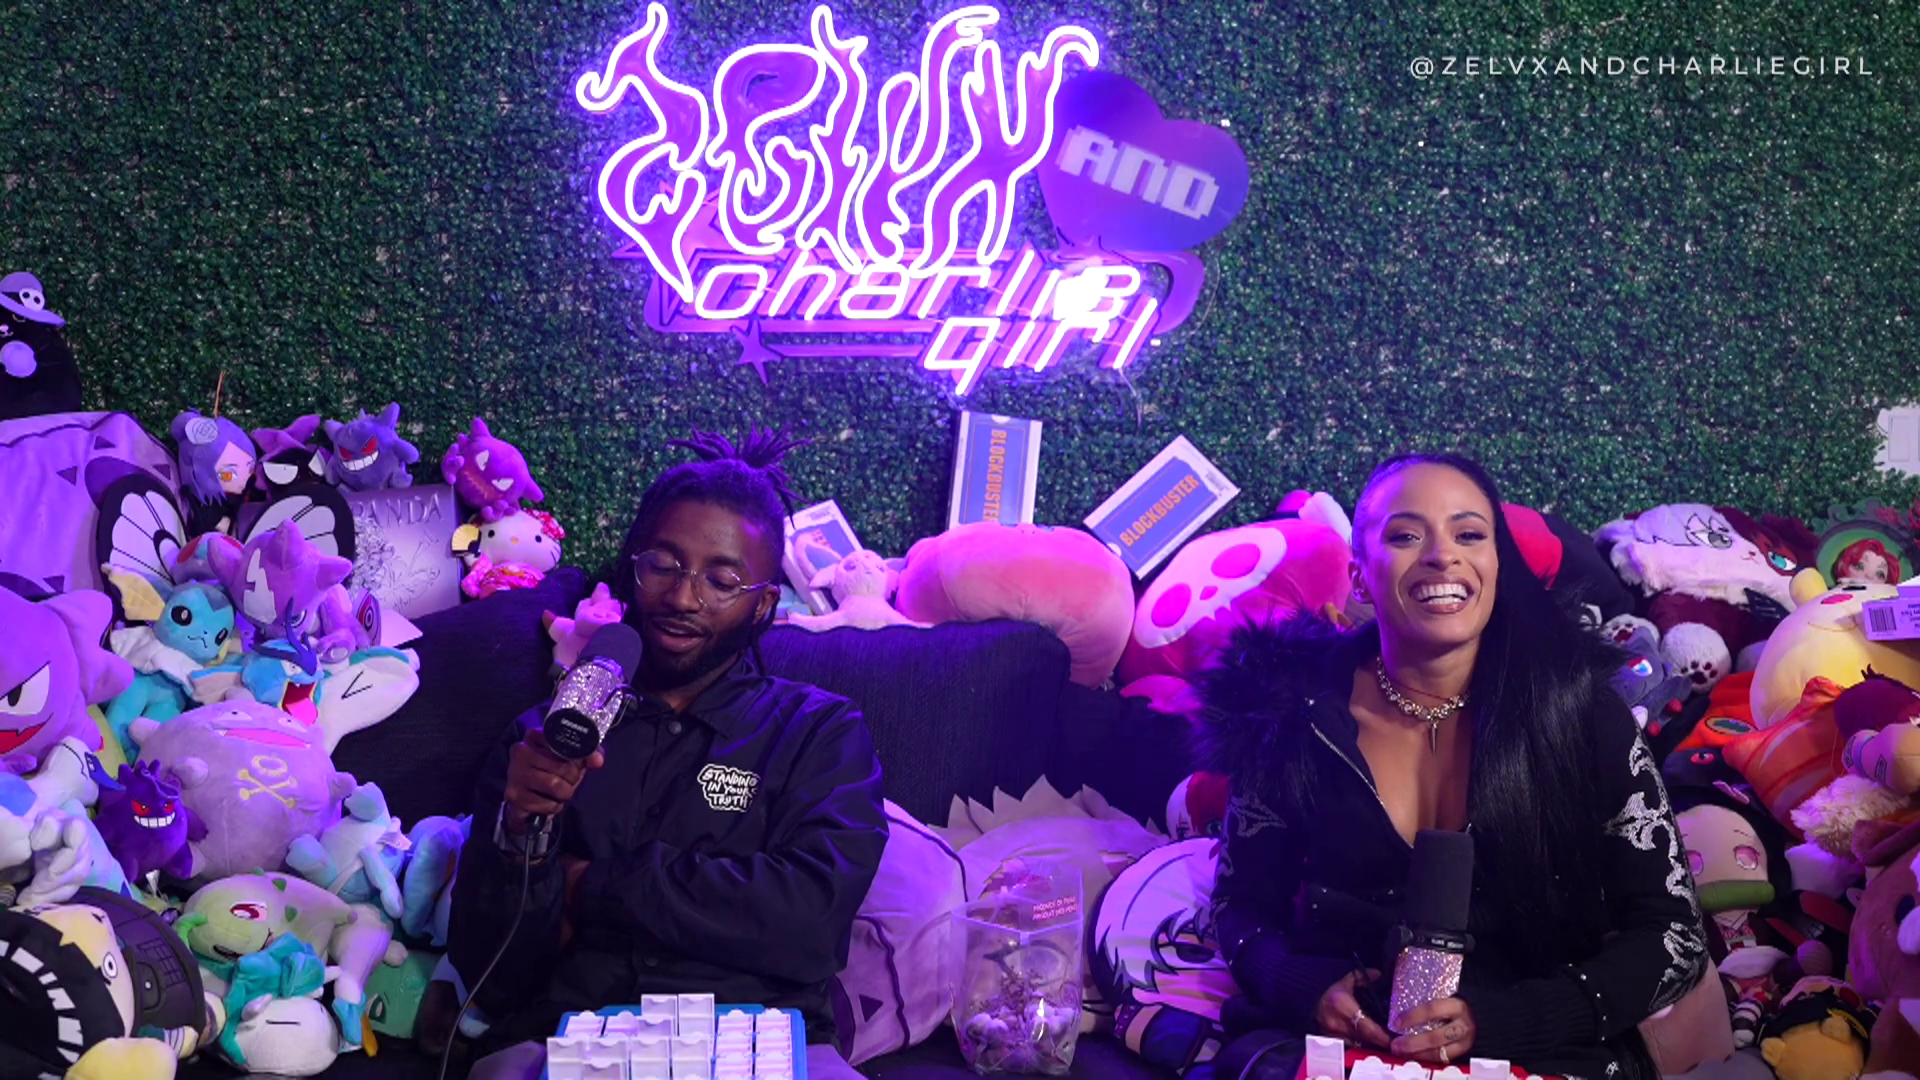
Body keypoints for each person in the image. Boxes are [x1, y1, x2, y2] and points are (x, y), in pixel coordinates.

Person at [1194, 453, 1710, 1080]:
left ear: (1497, 563)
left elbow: (1675, 936)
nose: (1443, 556)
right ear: (1360, 578)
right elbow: (1238, 908)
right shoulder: (1288, 713)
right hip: (1333, 1054)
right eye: (1406, 536)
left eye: (1468, 534)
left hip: (1541, 1051)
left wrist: (1512, 1021)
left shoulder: (1578, 713)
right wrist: (1302, 986)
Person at [446, 429, 889, 1079]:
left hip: (763, 1045)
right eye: (663, 565)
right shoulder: (543, 739)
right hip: (570, 1041)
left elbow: (808, 924)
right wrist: (521, 840)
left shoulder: (819, 732)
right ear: (632, 567)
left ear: (763, 605)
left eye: (723, 579)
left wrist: (589, 886)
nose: (683, 598)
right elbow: (494, 974)